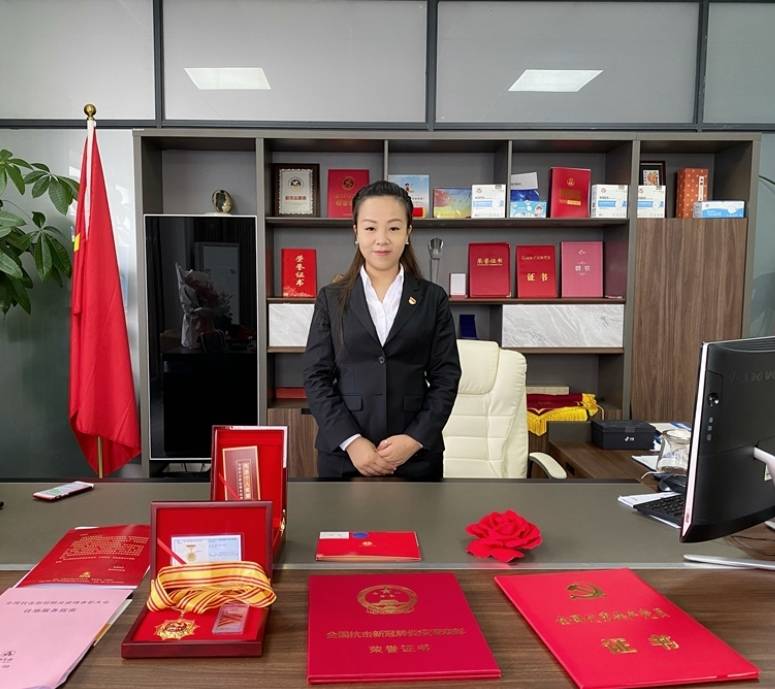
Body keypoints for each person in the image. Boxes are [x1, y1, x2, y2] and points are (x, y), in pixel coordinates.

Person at [303, 180, 461, 480]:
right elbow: (315, 376)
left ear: (408, 233)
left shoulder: (432, 298)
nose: (382, 240)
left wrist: (414, 439)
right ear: (356, 232)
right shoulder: (331, 298)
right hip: (344, 457)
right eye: (370, 228)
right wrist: (352, 442)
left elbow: (446, 377)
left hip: (415, 457)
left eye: (393, 228)